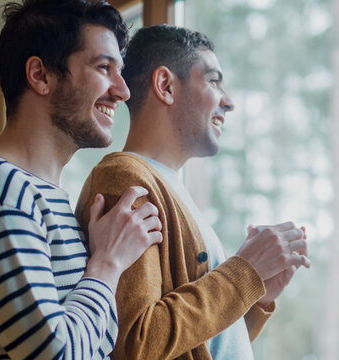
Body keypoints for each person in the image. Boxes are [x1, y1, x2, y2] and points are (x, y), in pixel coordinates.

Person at [0, 1, 162, 358]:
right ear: (40, 75)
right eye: (103, 67)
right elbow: (57, 354)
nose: (123, 90)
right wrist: (107, 264)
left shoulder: (40, 195)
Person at [74, 25, 311, 360]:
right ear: (166, 86)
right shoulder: (126, 179)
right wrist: (245, 270)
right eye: (213, 80)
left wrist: (254, 297)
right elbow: (136, 345)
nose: (228, 101)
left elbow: (199, 344)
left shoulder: (170, 185)